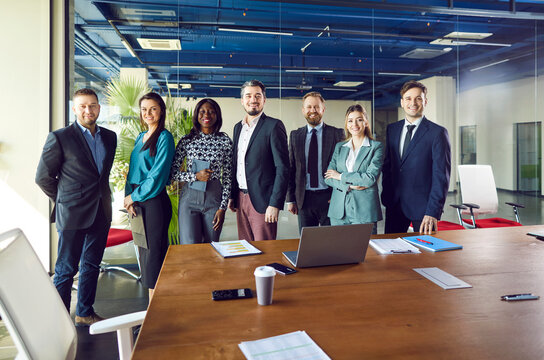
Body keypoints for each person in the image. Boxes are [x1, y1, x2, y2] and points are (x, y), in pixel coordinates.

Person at [35, 88, 117, 326]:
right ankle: (59, 321)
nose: (88, 110)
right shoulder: (60, 137)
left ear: (99, 108)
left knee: (91, 265)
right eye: (82, 106)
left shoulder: (110, 137)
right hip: (71, 213)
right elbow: (43, 177)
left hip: (101, 211)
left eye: (92, 105)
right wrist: (64, 199)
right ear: (74, 109)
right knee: (65, 269)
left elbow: (101, 175)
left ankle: (84, 313)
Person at [381, 80, 451, 234]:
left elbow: (441, 176)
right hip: (394, 205)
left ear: (425, 101)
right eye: (408, 98)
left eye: (418, 98)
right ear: (402, 102)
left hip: (424, 210)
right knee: (391, 253)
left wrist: (433, 211)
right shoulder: (392, 129)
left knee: (426, 255)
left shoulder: (437, 133)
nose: (413, 102)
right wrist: (387, 194)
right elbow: (388, 166)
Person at [124, 92, 175, 300]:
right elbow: (132, 170)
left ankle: (155, 310)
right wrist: (129, 197)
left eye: (153, 108)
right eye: (144, 109)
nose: (148, 113)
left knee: (154, 256)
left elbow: (157, 176)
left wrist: (134, 195)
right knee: (144, 255)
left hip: (154, 203)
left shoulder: (164, 137)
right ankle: (150, 309)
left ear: (161, 110)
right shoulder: (139, 137)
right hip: (137, 202)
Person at [228, 80, 289, 241]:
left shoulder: (273, 126)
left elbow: (282, 168)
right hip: (241, 199)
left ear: (264, 100)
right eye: (248, 96)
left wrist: (274, 204)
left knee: (265, 250)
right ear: (242, 100)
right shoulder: (237, 127)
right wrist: (232, 196)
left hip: (264, 201)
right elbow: (237, 164)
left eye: (257, 95)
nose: (253, 100)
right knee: (245, 249)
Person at [170, 98, 233, 244]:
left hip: (214, 198)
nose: (207, 115)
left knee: (211, 245)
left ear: (217, 116)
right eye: (202, 111)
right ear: (197, 114)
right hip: (189, 199)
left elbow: (228, 177)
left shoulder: (225, 141)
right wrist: (195, 176)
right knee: (189, 245)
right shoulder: (187, 140)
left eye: (211, 112)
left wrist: (222, 208)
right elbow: (173, 173)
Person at [286, 92, 344, 233]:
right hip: (304, 198)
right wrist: (290, 199)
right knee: (307, 243)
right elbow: (291, 169)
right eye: (309, 107)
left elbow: (344, 168)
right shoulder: (295, 135)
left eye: (316, 107)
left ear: (323, 109)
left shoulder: (337, 134)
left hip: (329, 197)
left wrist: (339, 196)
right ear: (303, 110)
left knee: (331, 242)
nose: (313, 110)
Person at [324, 104, 383, 232]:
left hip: (365, 211)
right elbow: (328, 178)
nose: (354, 124)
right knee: (339, 250)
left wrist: (340, 176)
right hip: (338, 211)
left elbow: (369, 179)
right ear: (346, 124)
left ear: (366, 122)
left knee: (367, 250)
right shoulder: (340, 147)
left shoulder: (376, 147)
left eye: (359, 119)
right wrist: (350, 185)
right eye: (350, 120)